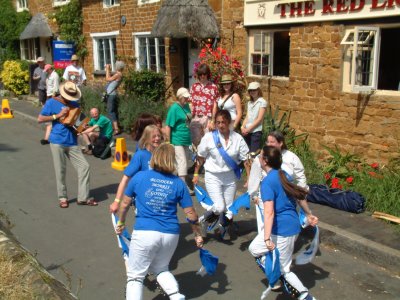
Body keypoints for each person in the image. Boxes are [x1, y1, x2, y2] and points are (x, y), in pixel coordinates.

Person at [116, 143, 203, 300]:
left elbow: (124, 204)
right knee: (161, 269)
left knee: (135, 276)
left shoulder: (139, 177)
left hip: (145, 232)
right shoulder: (178, 183)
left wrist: (121, 222)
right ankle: (176, 296)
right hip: (170, 235)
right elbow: (190, 213)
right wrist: (197, 234)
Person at [248, 146, 318, 300]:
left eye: (260, 156)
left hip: (283, 230)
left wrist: (266, 238)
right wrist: (308, 213)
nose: (258, 158)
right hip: (288, 226)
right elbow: (299, 196)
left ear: (265, 161)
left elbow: (269, 212)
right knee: (254, 249)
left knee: (285, 270)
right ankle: (276, 273)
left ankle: (306, 297)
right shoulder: (283, 174)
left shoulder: (267, 182)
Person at [37, 81, 97, 208]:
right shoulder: (51, 102)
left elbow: (80, 124)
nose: (70, 100)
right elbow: (40, 119)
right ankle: (62, 197)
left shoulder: (75, 104)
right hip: (57, 141)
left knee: (84, 167)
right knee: (61, 170)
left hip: (72, 141)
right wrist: (57, 115)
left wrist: (84, 126)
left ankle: (83, 197)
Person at [193, 109, 249, 239]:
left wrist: (249, 178)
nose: (220, 125)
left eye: (223, 122)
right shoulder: (209, 138)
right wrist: (196, 174)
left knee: (228, 209)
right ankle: (203, 220)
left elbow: (246, 160)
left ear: (229, 122)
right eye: (218, 122)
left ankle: (223, 228)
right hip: (213, 176)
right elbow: (200, 157)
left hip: (230, 177)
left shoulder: (237, 138)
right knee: (219, 206)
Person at [248, 130, 308, 234]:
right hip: (266, 196)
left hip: (286, 197)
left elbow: (300, 176)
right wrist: (253, 194)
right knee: (266, 225)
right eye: (267, 142)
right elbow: (254, 176)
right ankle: (267, 242)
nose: (268, 144)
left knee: (282, 223)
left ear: (280, 143)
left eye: (272, 142)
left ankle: (282, 242)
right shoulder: (261, 157)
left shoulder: (291, 158)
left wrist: (301, 191)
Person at [109, 125, 162, 213]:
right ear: (147, 138)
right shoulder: (140, 155)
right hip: (143, 199)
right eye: (153, 136)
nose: (157, 139)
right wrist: (116, 202)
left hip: (160, 198)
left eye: (158, 136)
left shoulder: (162, 154)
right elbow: (125, 180)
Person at [165, 87, 193, 193]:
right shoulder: (174, 108)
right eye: (185, 97)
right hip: (177, 139)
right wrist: (168, 141)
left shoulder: (186, 106)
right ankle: (183, 185)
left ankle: (171, 183)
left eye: (187, 97)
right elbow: (168, 125)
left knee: (179, 163)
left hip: (186, 138)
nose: (187, 99)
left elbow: (188, 121)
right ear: (179, 97)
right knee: (182, 162)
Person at [189, 63, 219, 147]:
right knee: (196, 142)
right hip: (196, 117)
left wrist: (213, 120)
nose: (202, 76)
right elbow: (191, 103)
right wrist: (190, 117)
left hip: (207, 118)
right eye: (200, 74)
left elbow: (215, 105)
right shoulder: (194, 87)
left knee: (208, 142)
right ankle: (197, 159)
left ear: (207, 74)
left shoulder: (213, 87)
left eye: (204, 74)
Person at [241, 81, 267, 153]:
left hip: (255, 131)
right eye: (251, 90)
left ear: (258, 90)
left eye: (254, 90)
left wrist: (248, 129)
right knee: (245, 152)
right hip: (247, 131)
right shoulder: (249, 103)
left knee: (253, 152)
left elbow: (259, 119)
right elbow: (247, 116)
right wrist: (242, 127)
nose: (252, 92)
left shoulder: (262, 102)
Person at [40, 64, 60, 145]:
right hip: (49, 96)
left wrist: (52, 100)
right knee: (49, 118)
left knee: (51, 117)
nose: (46, 71)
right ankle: (47, 138)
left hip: (53, 96)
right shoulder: (50, 75)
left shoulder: (55, 75)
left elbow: (55, 88)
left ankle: (47, 138)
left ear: (50, 69)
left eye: (47, 70)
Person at [105, 61, 125, 135]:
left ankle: (116, 129)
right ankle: (114, 127)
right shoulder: (118, 74)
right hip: (111, 94)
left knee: (111, 111)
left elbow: (107, 79)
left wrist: (107, 69)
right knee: (112, 111)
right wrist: (109, 70)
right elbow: (110, 78)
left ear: (117, 67)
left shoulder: (118, 74)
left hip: (111, 95)